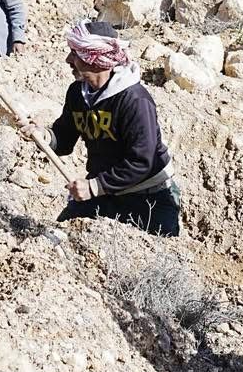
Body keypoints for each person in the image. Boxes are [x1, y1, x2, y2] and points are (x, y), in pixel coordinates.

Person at [25, 21, 181, 237]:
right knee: (58, 237)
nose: (68, 60)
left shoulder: (135, 100)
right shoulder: (77, 93)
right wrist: (43, 136)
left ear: (96, 59)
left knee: (157, 258)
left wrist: (93, 187)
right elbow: (64, 138)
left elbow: (141, 162)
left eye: (75, 54)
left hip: (149, 198)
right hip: (105, 191)